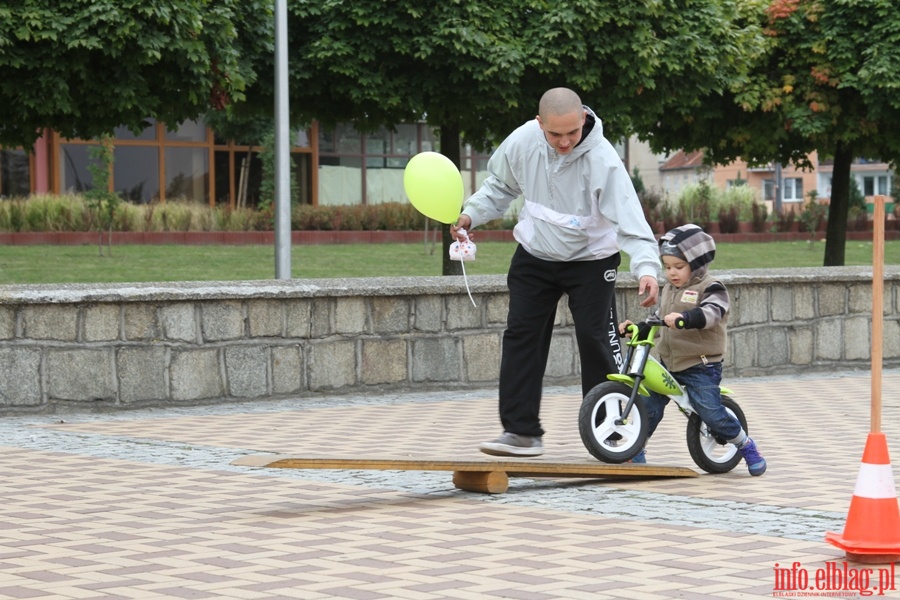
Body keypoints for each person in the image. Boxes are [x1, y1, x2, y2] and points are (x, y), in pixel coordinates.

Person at [450, 87, 660, 457]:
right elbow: (499, 186)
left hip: (592, 262)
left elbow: (631, 221)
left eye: (572, 133)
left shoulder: (603, 160)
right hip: (535, 255)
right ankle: (521, 433)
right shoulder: (521, 142)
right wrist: (470, 214)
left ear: (583, 120)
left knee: (596, 340)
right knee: (521, 337)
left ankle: (613, 435)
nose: (564, 142)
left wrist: (646, 268)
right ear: (539, 123)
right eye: (554, 134)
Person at [620, 224, 767, 476]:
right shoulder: (669, 290)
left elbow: (711, 313)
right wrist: (637, 327)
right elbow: (658, 318)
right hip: (670, 361)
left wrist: (686, 318)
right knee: (649, 406)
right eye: (667, 267)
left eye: (679, 267)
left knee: (711, 413)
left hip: (700, 365)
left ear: (696, 263)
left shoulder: (712, 287)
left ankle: (745, 445)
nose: (672, 273)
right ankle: (636, 450)